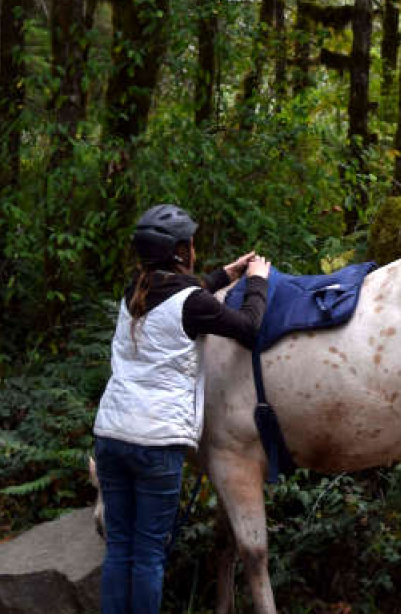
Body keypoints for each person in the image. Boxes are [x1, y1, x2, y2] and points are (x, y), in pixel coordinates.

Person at [92, 204, 270, 614]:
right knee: (150, 554)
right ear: (179, 251)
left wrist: (226, 274)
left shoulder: (132, 290)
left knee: (121, 549)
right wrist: (257, 282)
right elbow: (249, 328)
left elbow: (183, 297)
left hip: (111, 437)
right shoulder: (190, 303)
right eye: (190, 242)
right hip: (156, 444)